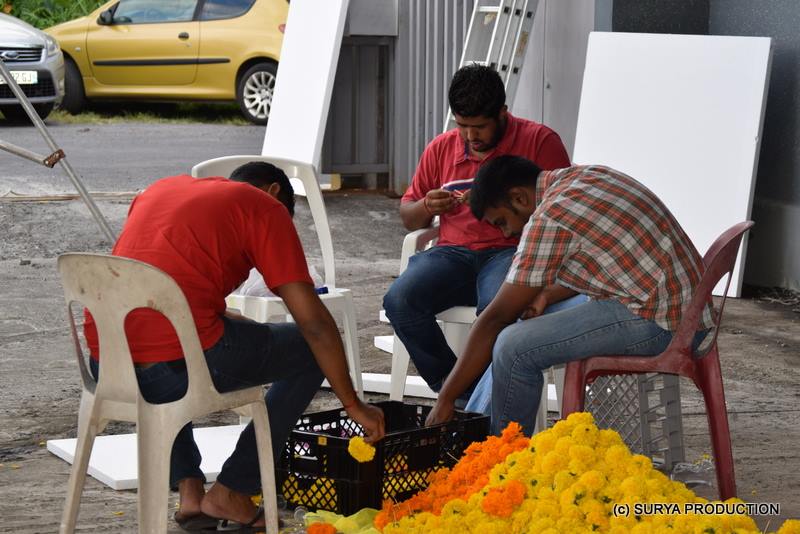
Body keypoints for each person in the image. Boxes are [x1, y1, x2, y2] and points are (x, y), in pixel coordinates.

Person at [83, 161, 385, 531]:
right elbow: (316, 325)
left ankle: (191, 493)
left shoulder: (164, 189)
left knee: (177, 340)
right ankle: (234, 488)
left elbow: (164, 284)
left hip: (107, 365)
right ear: (275, 192)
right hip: (174, 367)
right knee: (309, 350)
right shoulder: (265, 208)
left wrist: (225, 318)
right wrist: (353, 403)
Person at [425, 157, 713, 435]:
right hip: (680, 307)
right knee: (518, 330)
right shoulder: (585, 176)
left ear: (519, 198)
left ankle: (500, 463)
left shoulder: (550, 217)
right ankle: (477, 433)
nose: (509, 232)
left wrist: (446, 398)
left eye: (502, 222)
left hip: (662, 322)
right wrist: (547, 295)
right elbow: (605, 260)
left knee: (512, 346)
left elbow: (496, 317)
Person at [382, 64, 572, 402]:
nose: (471, 137)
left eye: (480, 127)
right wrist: (427, 205)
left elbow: (563, 213)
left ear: (502, 113)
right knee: (400, 300)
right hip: (451, 254)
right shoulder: (441, 148)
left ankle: (483, 398)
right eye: (462, 126)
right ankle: (461, 393)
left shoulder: (539, 141)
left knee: (497, 310)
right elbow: (409, 220)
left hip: (512, 251)